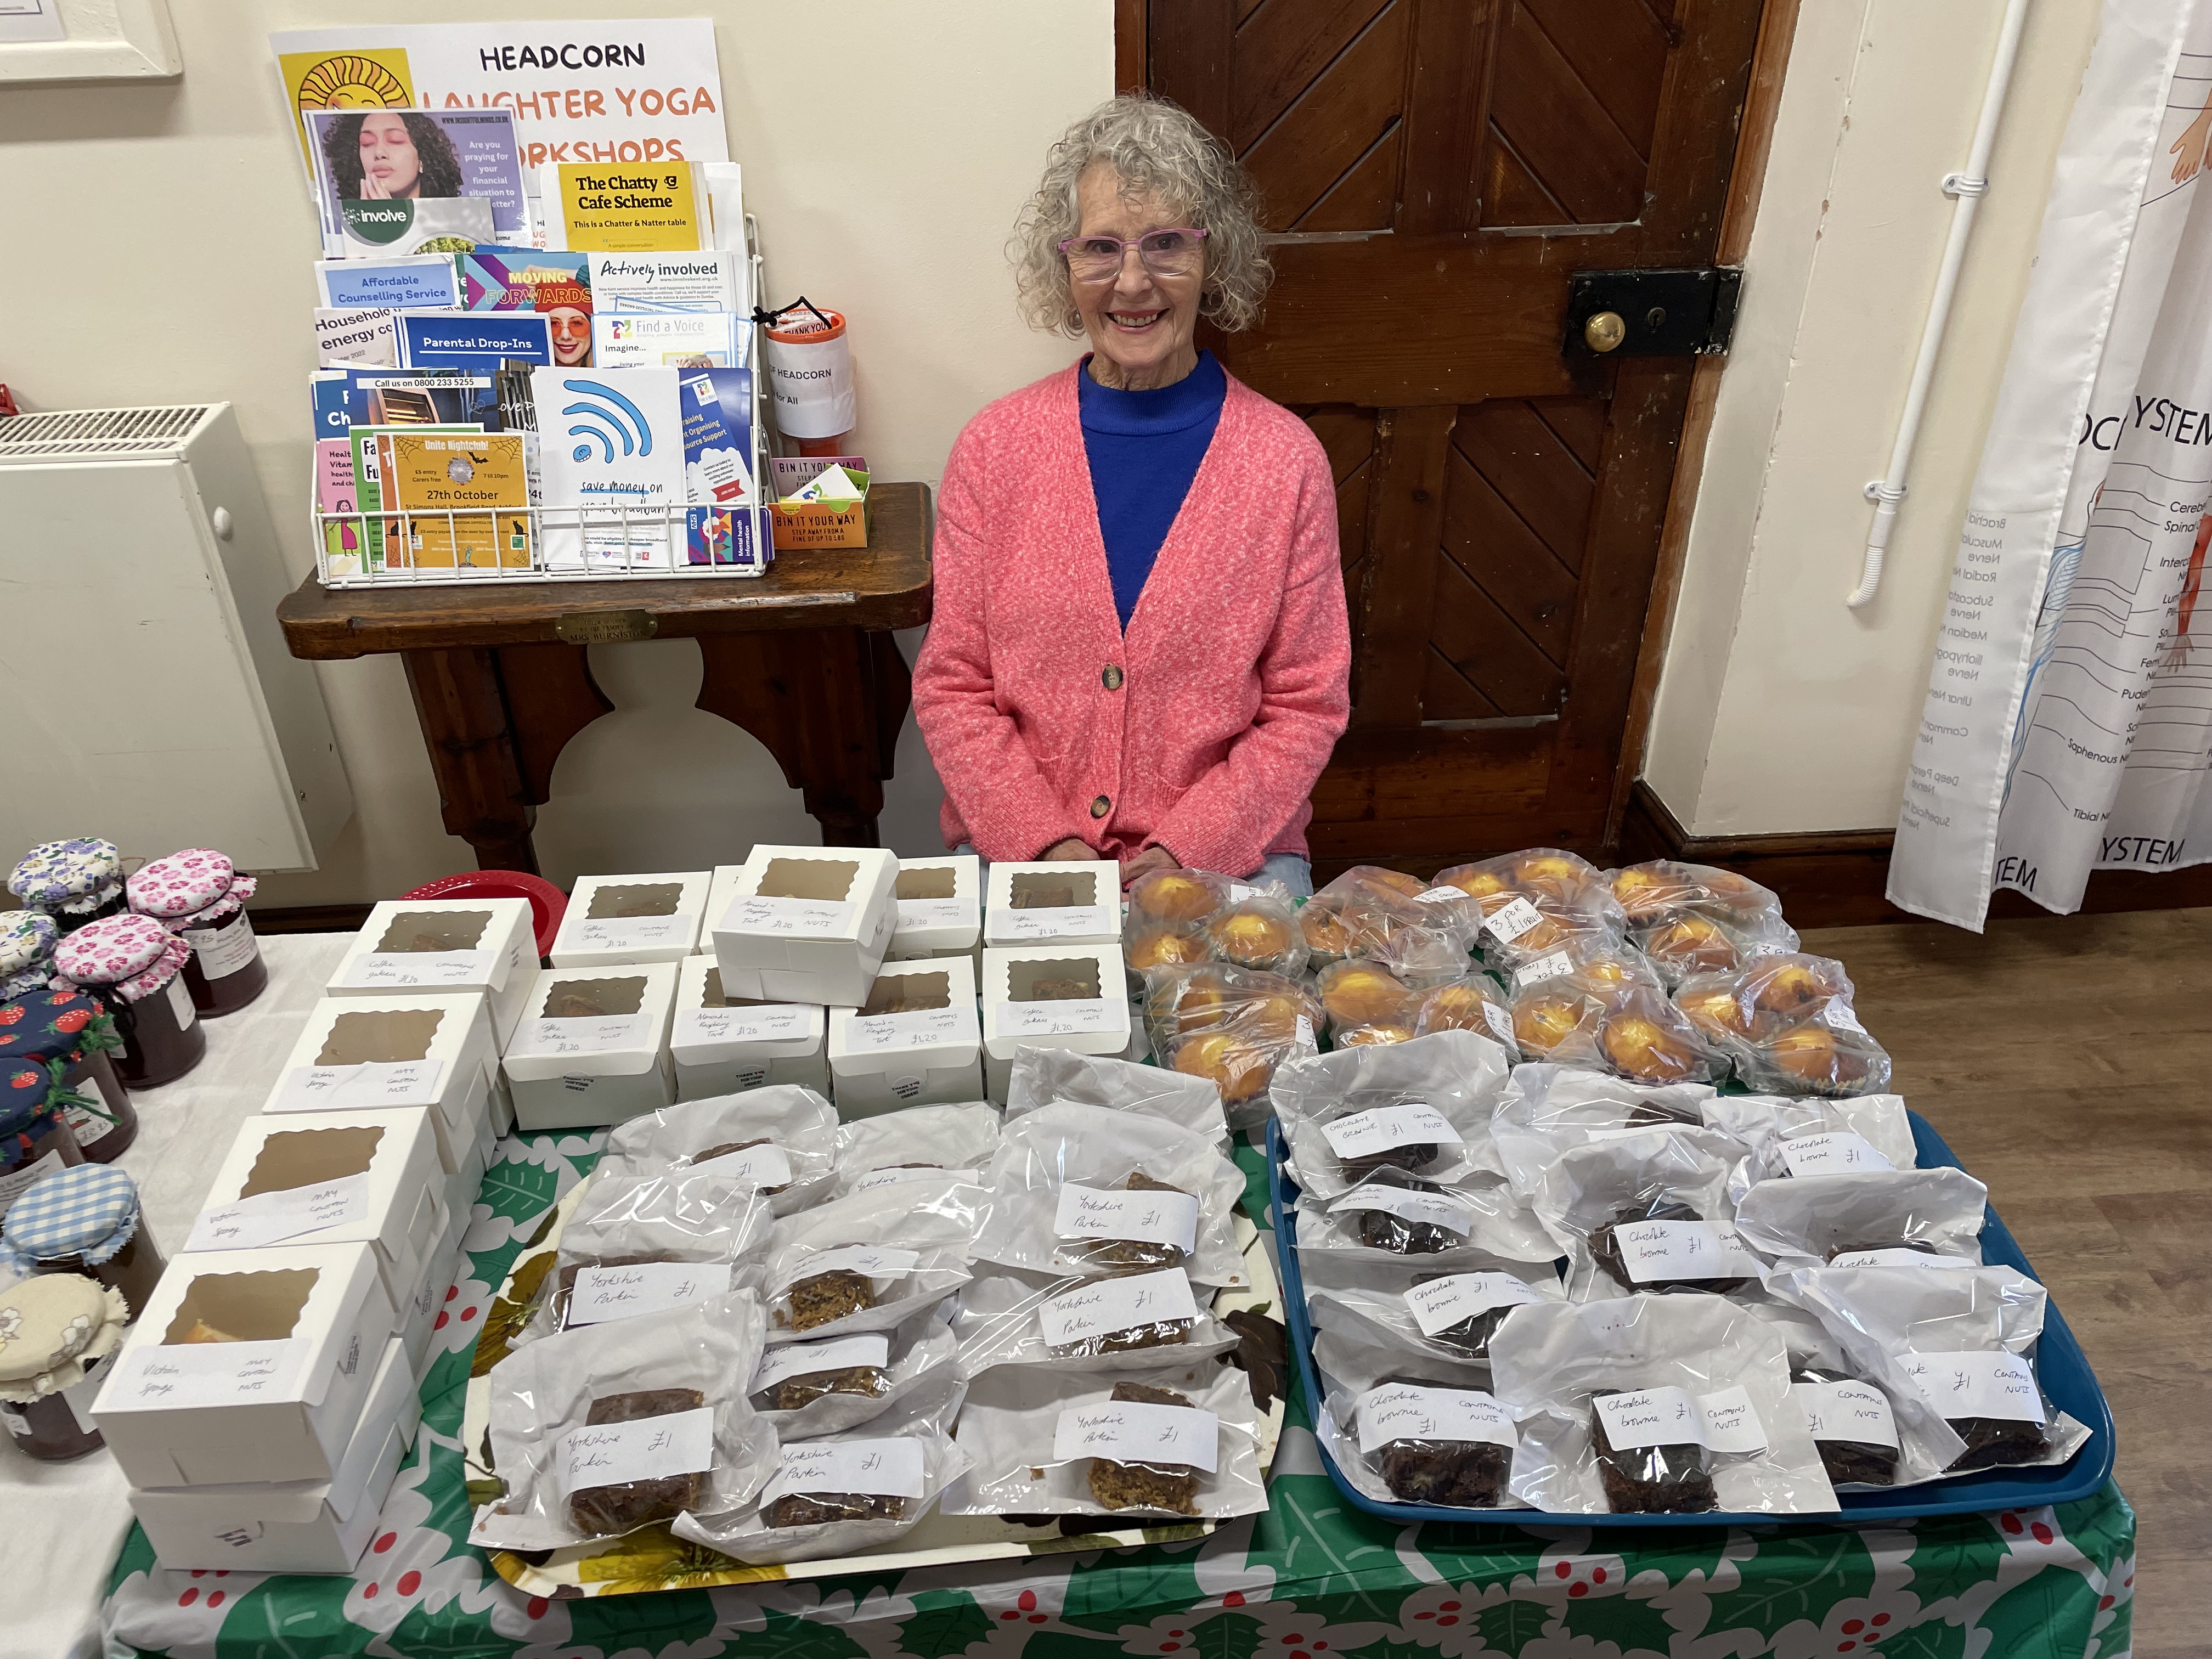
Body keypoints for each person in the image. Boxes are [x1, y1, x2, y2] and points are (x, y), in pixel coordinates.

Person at [912, 94, 1350, 898]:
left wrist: (1192, 850)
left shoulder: (1286, 461)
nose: (1134, 281)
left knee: (1244, 1026)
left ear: (1213, 259)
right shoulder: (995, 448)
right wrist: (1043, 845)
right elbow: (953, 683)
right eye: (1101, 249)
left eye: (1167, 245)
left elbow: (1306, 705)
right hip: (1018, 847)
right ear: (1064, 264)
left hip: (1234, 854)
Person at [320, 111, 464, 201]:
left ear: (423, 159)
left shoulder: (453, 223)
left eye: (395, 141)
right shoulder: (348, 227)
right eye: (367, 143)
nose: (379, 153)